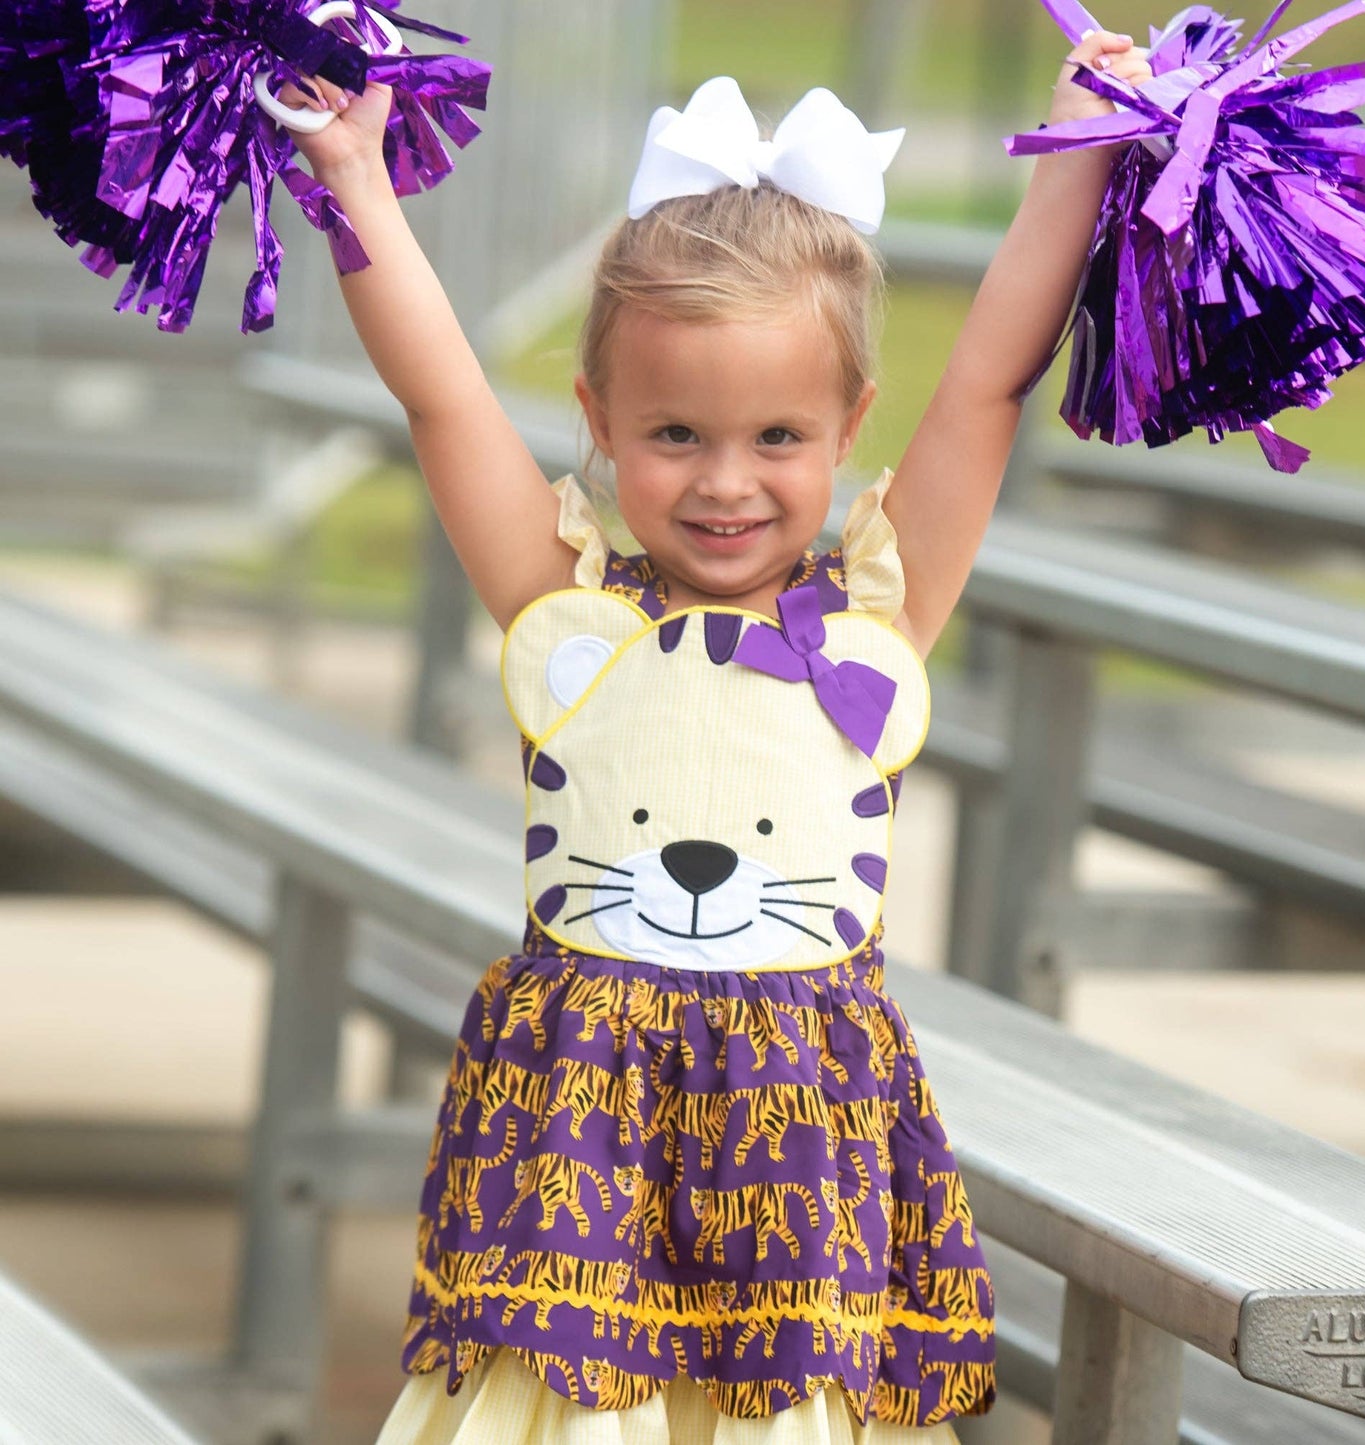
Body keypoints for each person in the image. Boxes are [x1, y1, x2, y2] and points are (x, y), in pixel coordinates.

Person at [279, 24, 1151, 1444]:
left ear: (849, 422)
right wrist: (357, 184)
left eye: (778, 439)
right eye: (675, 433)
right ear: (599, 422)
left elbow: (988, 382)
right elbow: (440, 395)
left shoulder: (877, 622)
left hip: (794, 1166)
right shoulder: (565, 615)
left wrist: (1081, 153)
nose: (725, 484)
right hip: (579, 1156)